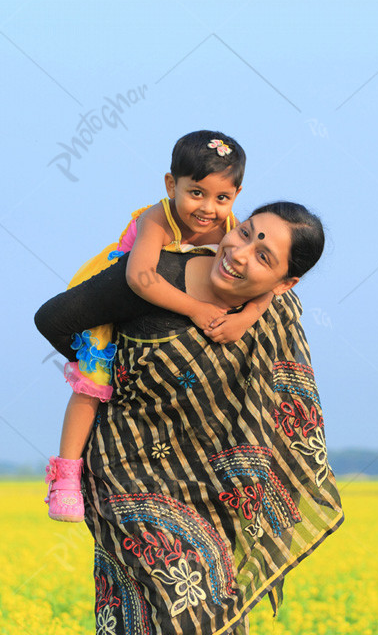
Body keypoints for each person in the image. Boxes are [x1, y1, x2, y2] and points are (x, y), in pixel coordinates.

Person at [35, 202, 343, 634]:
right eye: (246, 233)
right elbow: (54, 318)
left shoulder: (276, 313)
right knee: (182, 603)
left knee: (218, 617)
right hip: (127, 478)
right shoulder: (151, 278)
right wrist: (103, 368)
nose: (239, 253)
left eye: (264, 256)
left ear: (285, 282)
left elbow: (286, 406)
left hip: (216, 494)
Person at [45, 130, 276, 523]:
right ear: (172, 185)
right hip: (117, 300)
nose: (208, 208)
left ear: (237, 194)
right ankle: (65, 476)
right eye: (196, 193)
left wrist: (247, 317)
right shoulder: (158, 218)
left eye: (222, 198)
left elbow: (267, 283)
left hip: (165, 318)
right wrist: (197, 310)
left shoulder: (235, 230)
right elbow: (140, 278)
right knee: (92, 382)